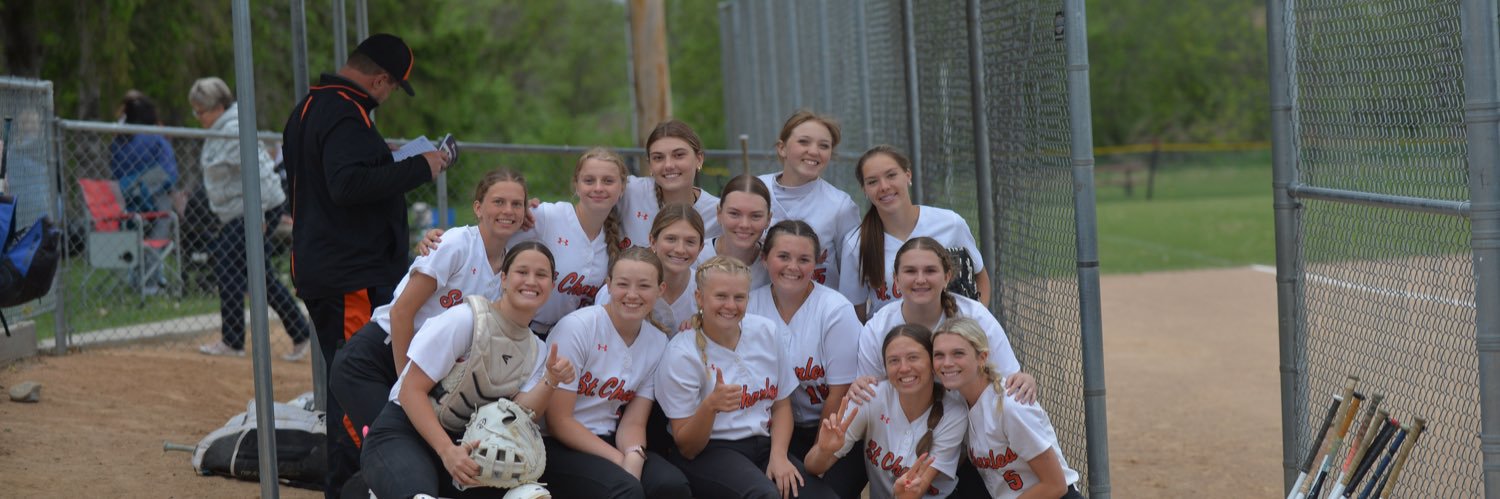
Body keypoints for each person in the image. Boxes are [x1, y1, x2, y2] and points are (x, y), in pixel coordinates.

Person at [281, 33, 451, 497]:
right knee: (357, 382)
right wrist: (421, 166)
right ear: (379, 79)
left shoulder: (313, 106)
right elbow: (346, 185)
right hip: (349, 275)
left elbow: (340, 178)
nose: (389, 94)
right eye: (392, 87)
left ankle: (353, 482)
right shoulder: (342, 111)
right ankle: (352, 485)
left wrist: (388, 159)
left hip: (338, 269)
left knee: (352, 378)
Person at [359, 241, 574, 499]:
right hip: (406, 434)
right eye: (522, 272)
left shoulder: (537, 350)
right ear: (504, 279)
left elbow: (520, 415)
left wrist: (550, 379)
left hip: (466, 448)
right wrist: (447, 451)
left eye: (541, 275)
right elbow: (409, 391)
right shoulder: (466, 320)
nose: (531, 281)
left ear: (552, 285)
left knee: (530, 495)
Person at [330, 168, 528, 441]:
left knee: (402, 450)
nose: (508, 210)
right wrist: (405, 387)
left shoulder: (509, 266)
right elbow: (402, 312)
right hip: (379, 358)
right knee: (393, 444)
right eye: (498, 202)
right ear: (478, 208)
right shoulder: (456, 244)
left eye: (517, 204)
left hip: (426, 370)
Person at [653, 256, 836, 499]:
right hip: (710, 451)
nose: (730, 305)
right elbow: (687, 447)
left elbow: (782, 405)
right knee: (764, 495)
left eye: (739, 297)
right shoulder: (682, 353)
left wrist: (779, 456)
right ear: (699, 298)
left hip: (764, 446)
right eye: (720, 296)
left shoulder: (765, 331)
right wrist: (710, 407)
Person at [540, 247, 693, 499]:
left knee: (671, 486)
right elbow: (559, 422)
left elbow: (633, 422)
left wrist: (634, 454)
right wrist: (619, 460)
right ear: (608, 285)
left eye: (644, 286)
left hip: (611, 438)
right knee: (625, 488)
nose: (632, 294)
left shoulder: (658, 341)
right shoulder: (578, 328)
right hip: (557, 446)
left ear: (660, 290)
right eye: (623, 284)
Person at [187, 76, 313, 359]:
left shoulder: (232, 129)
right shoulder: (222, 128)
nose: (198, 118)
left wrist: (259, 216)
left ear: (218, 107)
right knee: (257, 275)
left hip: (253, 209)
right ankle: (300, 332)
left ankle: (233, 341)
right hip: (242, 210)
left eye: (201, 111)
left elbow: (257, 173)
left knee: (230, 269)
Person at [805, 324, 969, 499]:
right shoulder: (869, 397)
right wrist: (824, 450)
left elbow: (913, 493)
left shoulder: (953, 413)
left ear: (932, 364)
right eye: (894, 361)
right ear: (885, 368)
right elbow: (812, 467)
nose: (904, 368)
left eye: (913, 357)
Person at [744, 221, 860, 467]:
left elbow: (839, 394)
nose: (793, 267)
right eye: (783, 256)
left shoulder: (835, 310)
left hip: (832, 427)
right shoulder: (749, 306)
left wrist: (817, 457)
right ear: (764, 259)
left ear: (816, 263)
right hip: (770, 430)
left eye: (804, 259)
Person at [933, 318, 1084, 499]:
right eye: (939, 355)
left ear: (982, 357)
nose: (947, 363)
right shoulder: (958, 400)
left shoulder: (1010, 406)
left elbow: (1056, 486)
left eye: (958, 353)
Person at [837, 146, 988, 321]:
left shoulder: (950, 224)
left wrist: (974, 324)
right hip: (891, 342)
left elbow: (980, 276)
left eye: (891, 175)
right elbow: (855, 311)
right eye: (872, 182)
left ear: (908, 176)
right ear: (864, 189)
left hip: (945, 336)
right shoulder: (856, 243)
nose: (884, 186)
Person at [509, 147, 627, 337]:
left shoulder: (616, 236)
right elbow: (492, 239)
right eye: (589, 180)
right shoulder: (548, 216)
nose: (598, 187)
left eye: (608, 181)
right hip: (523, 330)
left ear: (622, 188)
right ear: (576, 186)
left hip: (574, 338)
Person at [758, 110, 860, 291]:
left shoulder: (840, 205)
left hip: (817, 311)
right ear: (782, 148)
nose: (814, 151)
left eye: (824, 146)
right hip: (757, 307)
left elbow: (852, 272)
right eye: (803, 142)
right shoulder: (756, 190)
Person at [596, 203, 706, 334]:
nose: (680, 249)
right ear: (653, 241)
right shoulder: (618, 289)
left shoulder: (707, 289)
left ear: (700, 248)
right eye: (671, 239)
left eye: (690, 242)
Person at [109, 91, 178, 295]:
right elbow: (170, 173)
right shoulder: (155, 138)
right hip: (157, 199)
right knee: (155, 240)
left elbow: (116, 172)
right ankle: (151, 283)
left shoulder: (119, 142)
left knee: (136, 239)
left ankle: (139, 279)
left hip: (128, 200)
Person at [620, 120, 721, 247]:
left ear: (699, 159)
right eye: (658, 157)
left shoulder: (717, 213)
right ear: (650, 164)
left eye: (678, 155)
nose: (668, 165)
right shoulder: (630, 192)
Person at [695, 175, 772, 289]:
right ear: (719, 214)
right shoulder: (695, 258)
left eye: (755, 216)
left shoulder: (772, 265)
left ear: (768, 219)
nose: (744, 225)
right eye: (734, 214)